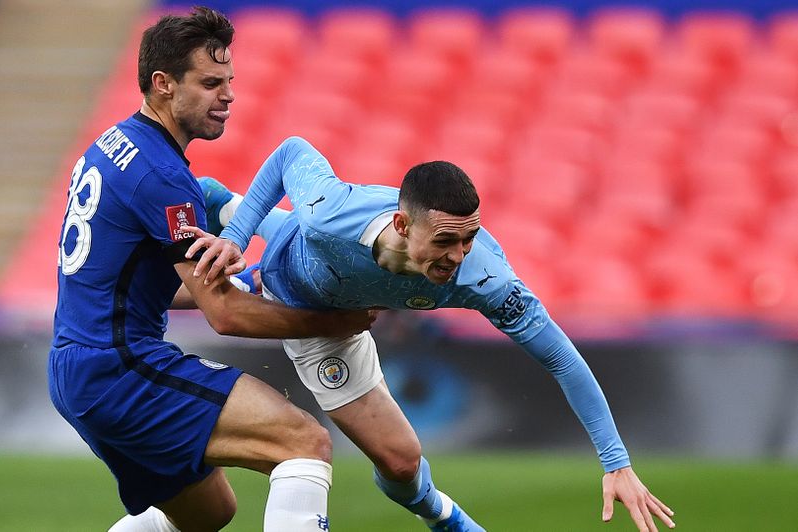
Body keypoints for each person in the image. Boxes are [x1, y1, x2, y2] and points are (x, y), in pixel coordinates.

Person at [194, 136, 677, 532]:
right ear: (403, 225)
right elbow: (291, 152)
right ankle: (216, 215)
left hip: (333, 326)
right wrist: (235, 240)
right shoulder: (332, 210)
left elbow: (562, 359)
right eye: (445, 240)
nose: (459, 255)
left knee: (402, 465)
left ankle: (444, 518)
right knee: (194, 289)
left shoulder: (486, 280)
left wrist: (616, 463)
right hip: (292, 268)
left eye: (469, 238)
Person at [49, 10, 378, 532]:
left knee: (209, 513)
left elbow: (137, 282)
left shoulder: (111, 145)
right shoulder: (163, 176)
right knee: (303, 442)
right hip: (120, 368)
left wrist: (248, 283)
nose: (228, 97)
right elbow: (224, 315)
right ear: (163, 85)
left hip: (75, 367)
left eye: (229, 83)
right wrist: (338, 322)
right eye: (209, 83)